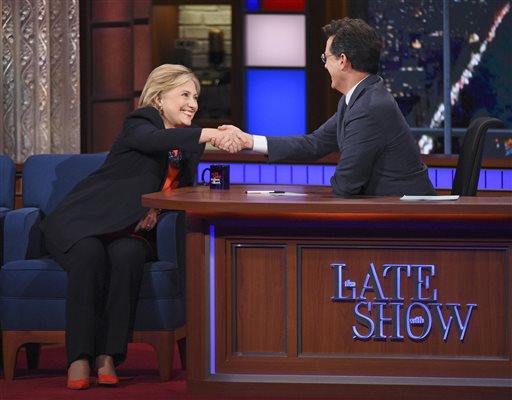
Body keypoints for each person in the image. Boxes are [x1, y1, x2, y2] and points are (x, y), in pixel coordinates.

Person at [40, 64, 238, 390]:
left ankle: (108, 356)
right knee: (89, 256)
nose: (193, 104)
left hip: (131, 230)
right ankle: (79, 357)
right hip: (85, 222)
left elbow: (179, 189)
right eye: (185, 95)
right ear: (159, 98)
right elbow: (154, 141)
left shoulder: (187, 144)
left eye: (196, 97)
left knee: (128, 255)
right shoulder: (140, 122)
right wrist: (210, 133)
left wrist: (158, 208)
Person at [216, 18, 436, 196]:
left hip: (405, 218)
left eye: (325, 58)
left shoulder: (369, 107)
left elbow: (345, 184)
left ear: (342, 60)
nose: (324, 65)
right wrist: (249, 140)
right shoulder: (360, 97)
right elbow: (314, 144)